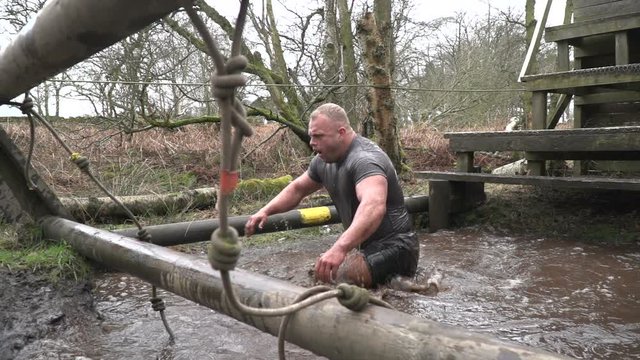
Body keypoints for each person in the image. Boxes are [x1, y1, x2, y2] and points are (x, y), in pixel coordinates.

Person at [244, 103, 419, 288]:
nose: (312, 143)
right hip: (364, 248)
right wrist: (264, 211)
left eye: (318, 136)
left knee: (339, 278)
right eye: (311, 136)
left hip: (397, 248)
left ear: (341, 132)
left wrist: (339, 248)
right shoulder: (322, 161)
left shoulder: (365, 160)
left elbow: (373, 205)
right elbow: (297, 189)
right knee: (319, 275)